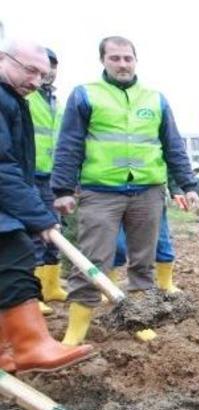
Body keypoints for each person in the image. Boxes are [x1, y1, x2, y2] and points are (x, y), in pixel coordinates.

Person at [52, 36, 199, 345]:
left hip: (147, 191)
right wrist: (63, 188)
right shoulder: (85, 96)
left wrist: (187, 185)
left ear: (136, 60)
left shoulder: (155, 99)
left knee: (143, 260)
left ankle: (140, 320)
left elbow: (173, 146)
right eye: (115, 58)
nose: (122, 64)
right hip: (100, 192)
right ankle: (75, 331)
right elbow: (69, 144)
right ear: (103, 60)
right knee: (92, 260)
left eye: (127, 58)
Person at [0, 38, 93, 373]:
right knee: (15, 256)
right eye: (30, 70)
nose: (37, 81)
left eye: (42, 74)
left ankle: (8, 349)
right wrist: (38, 216)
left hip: (13, 194)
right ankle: (30, 345)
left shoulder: (12, 98)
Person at [26, 47, 66, 315]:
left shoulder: (55, 101)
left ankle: (52, 286)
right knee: (34, 234)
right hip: (27, 173)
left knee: (54, 231)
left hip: (51, 175)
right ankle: (35, 291)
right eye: (43, 66)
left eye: (53, 66)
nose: (49, 71)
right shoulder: (26, 97)